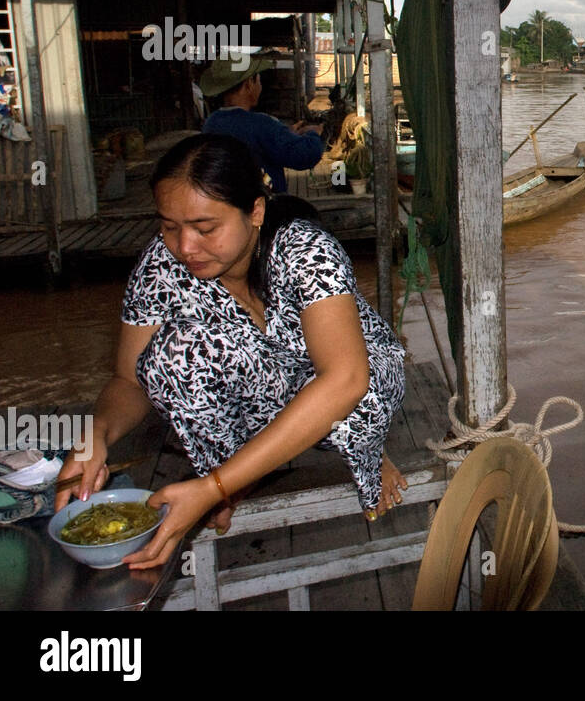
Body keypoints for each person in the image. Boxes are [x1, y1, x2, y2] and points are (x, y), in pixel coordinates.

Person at [54, 134, 409, 570]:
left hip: (357, 377)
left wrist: (212, 488)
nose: (184, 247)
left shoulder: (306, 250)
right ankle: (232, 475)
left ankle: (368, 451)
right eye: (168, 227)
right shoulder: (161, 267)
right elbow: (129, 378)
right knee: (170, 357)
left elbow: (345, 379)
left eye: (205, 229)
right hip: (269, 384)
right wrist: (98, 435)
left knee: (358, 401)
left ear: (255, 211)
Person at [199, 53, 324, 194]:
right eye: (258, 80)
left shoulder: (212, 122)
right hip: (262, 207)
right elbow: (304, 155)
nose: (260, 85)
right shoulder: (260, 124)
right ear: (249, 84)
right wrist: (314, 133)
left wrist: (286, 133)